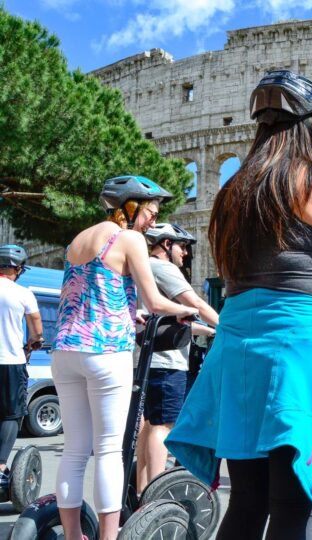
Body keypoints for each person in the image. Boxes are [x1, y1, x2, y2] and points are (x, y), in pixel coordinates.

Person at [164, 70, 312, 540]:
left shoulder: (232, 193)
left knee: (247, 501)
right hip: (298, 346)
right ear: (311, 129)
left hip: (236, 345)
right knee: (292, 508)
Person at [51, 176, 198, 540]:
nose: (150, 221)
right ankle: (109, 537)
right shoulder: (128, 238)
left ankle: (72, 536)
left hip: (65, 350)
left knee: (74, 450)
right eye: (149, 212)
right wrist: (182, 311)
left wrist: (128, 313)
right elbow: (155, 300)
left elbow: (79, 294)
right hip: (106, 352)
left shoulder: (76, 242)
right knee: (108, 451)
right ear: (129, 207)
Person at [135, 223, 220, 495]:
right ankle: (157, 494)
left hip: (146, 358)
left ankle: (142, 491)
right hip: (166, 361)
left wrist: (208, 329)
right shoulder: (163, 268)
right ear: (166, 245)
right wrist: (228, 327)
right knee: (164, 426)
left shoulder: (139, 268)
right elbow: (194, 302)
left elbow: (170, 320)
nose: (185, 253)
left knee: (149, 425)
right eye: (182, 246)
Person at [0, 245, 43, 490]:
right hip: (9, 361)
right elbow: (36, 327)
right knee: (11, 414)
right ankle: (0, 468)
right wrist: (34, 342)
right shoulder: (22, 293)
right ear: (17, 269)